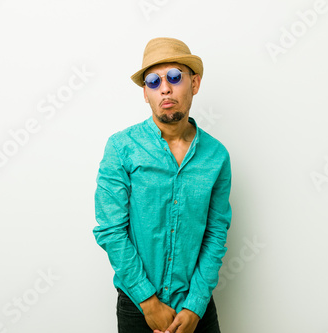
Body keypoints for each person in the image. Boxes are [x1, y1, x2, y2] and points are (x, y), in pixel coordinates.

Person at [93, 37, 232, 333]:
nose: (165, 88)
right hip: (138, 307)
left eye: (174, 77)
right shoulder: (121, 148)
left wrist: (195, 305)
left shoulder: (217, 156)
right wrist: (149, 303)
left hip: (197, 309)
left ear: (194, 84)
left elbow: (216, 231)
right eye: (153, 81)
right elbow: (110, 230)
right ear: (145, 93)